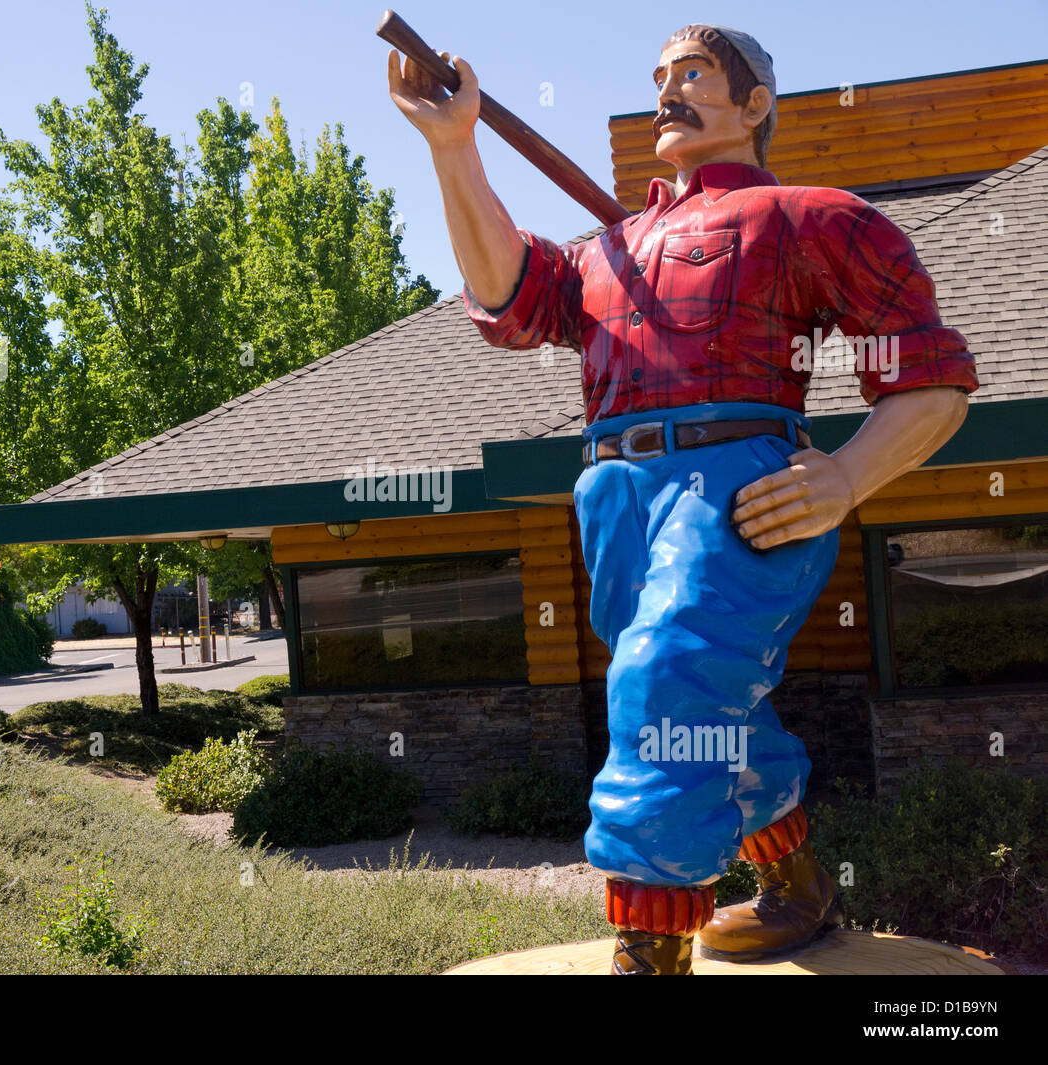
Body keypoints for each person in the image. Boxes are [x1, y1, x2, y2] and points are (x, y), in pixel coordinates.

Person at [388, 23, 979, 974]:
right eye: (660, 76)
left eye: (694, 73)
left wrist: (845, 475)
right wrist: (453, 146)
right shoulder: (607, 252)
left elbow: (932, 378)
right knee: (713, 706)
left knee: (665, 684)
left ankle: (649, 954)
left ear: (756, 104)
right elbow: (504, 289)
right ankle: (799, 890)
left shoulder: (810, 217)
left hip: (737, 494)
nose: (669, 89)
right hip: (616, 497)